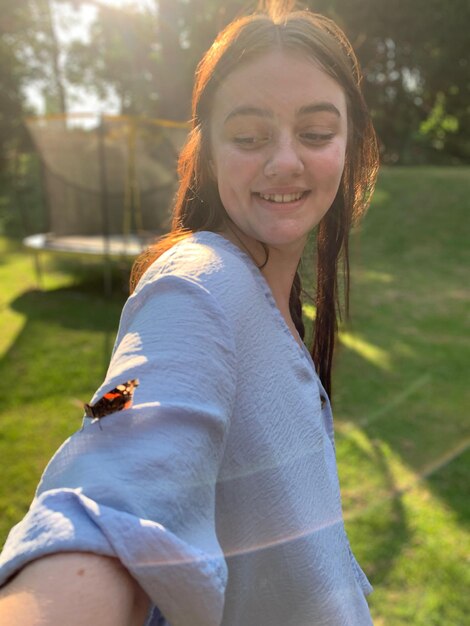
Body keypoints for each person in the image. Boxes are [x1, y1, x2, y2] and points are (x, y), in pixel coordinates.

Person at [0, 3, 379, 625]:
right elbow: (114, 503)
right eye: (249, 136)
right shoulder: (200, 284)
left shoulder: (275, 300)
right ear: (207, 151)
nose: (285, 161)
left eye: (315, 133)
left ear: (351, 145)